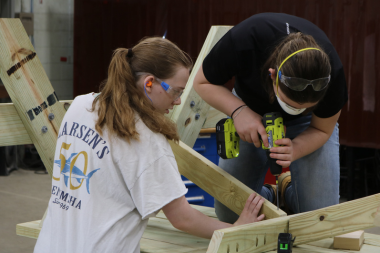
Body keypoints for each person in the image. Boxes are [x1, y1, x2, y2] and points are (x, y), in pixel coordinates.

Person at [34, 37, 265, 253]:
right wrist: (237, 228)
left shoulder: (80, 105)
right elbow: (183, 218)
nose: (177, 101)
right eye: (176, 91)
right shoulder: (146, 140)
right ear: (149, 83)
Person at [193, 13, 348, 223]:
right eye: (290, 104)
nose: (295, 110)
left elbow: (322, 130)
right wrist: (238, 111)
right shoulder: (246, 39)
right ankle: (270, 195)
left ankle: (288, 190)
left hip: (308, 128)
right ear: (273, 75)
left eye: (304, 107)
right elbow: (202, 82)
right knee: (231, 213)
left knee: (319, 218)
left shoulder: (333, 73)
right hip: (249, 111)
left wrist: (296, 149)